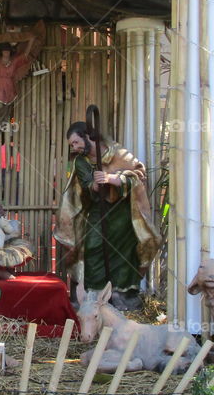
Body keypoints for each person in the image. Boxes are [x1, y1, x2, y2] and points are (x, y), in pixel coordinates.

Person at [54, 121, 160, 310]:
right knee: (93, 248)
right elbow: (87, 185)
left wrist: (112, 179)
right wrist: (95, 184)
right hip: (98, 211)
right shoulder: (81, 161)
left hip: (123, 214)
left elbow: (138, 175)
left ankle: (122, 297)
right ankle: (93, 295)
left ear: (88, 136)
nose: (75, 148)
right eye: (72, 145)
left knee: (124, 254)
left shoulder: (117, 153)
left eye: (76, 142)